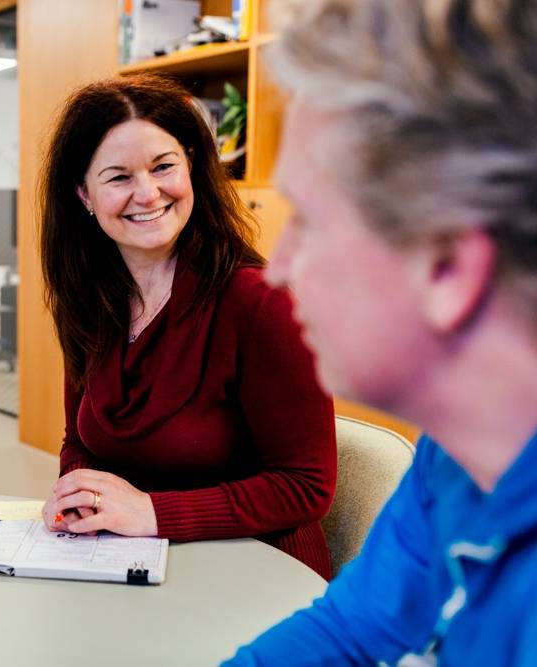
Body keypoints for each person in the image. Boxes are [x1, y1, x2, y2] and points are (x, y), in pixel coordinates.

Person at [223, 1, 537, 664]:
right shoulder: (456, 454)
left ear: (447, 267)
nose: (277, 268)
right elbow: (353, 630)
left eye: (308, 222)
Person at [38, 74, 338, 578]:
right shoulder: (91, 298)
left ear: (192, 168)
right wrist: (83, 493)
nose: (148, 193)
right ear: (83, 194)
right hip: (135, 559)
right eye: (118, 177)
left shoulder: (262, 302)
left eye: (163, 167)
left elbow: (305, 486)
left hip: (259, 569)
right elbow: (81, 441)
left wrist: (151, 512)